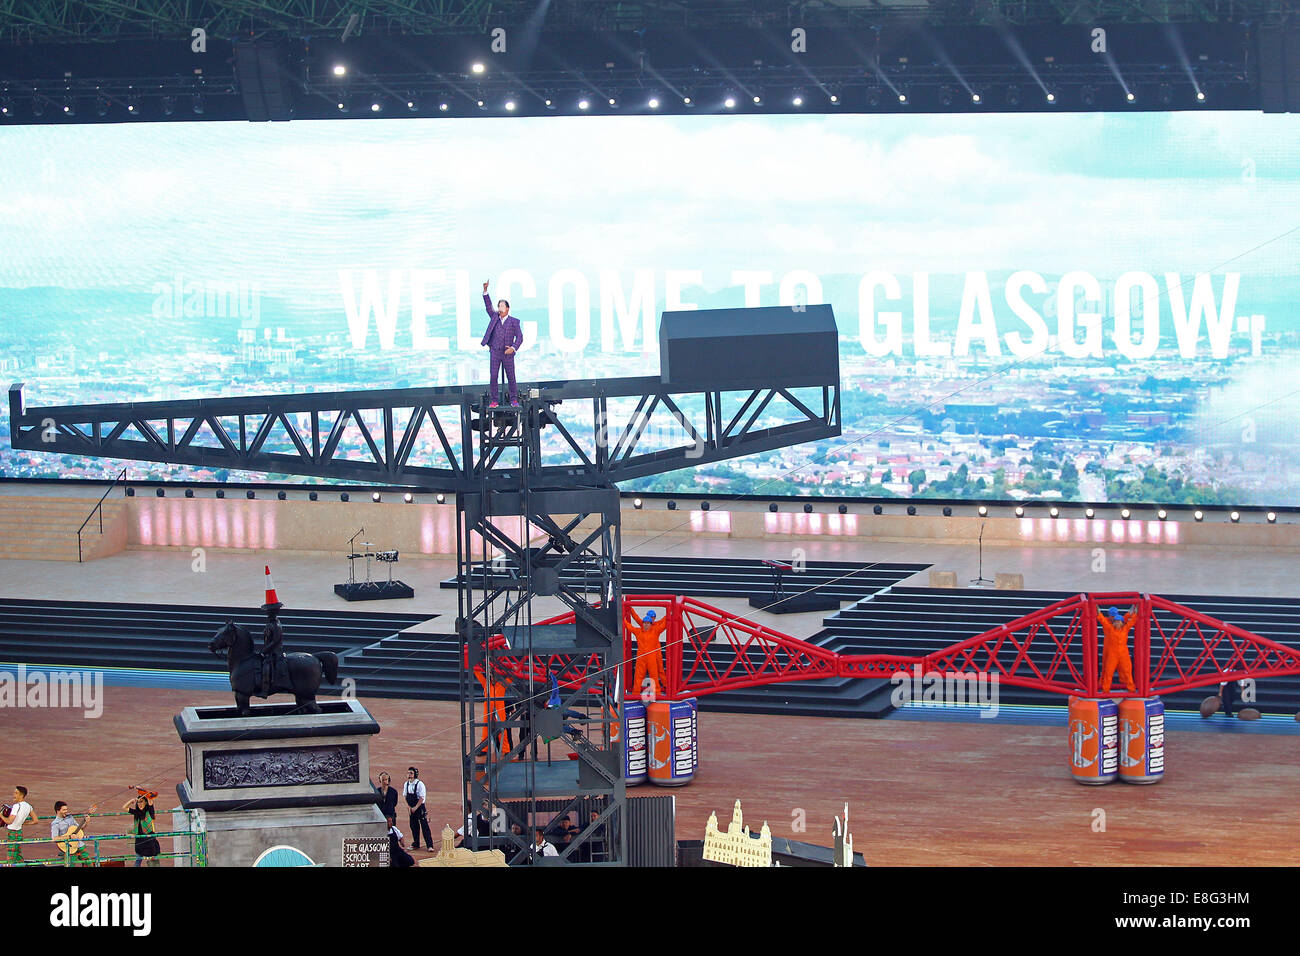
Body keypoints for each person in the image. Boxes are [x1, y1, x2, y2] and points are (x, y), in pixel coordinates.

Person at [481, 280, 523, 408]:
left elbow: (520, 337)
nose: (500, 308)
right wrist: (485, 291)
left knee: (511, 377)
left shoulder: (514, 322)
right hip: (495, 351)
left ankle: (513, 399)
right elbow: (488, 306)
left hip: (507, 353)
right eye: (499, 306)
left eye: (502, 306)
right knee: (493, 376)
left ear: (508, 308)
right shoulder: (494, 317)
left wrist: (513, 348)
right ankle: (494, 400)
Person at [628, 610, 668, 700]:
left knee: (658, 671)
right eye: (645, 623)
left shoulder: (656, 628)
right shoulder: (639, 630)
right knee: (638, 675)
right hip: (642, 655)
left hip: (654, 652)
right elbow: (633, 621)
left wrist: (671, 613)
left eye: (653, 618)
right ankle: (635, 694)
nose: (646, 624)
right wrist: (629, 610)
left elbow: (665, 622)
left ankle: (663, 687)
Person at [1100, 606, 1137, 694]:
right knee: (1107, 670)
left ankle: (1130, 688)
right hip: (1110, 649)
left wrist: (1136, 610)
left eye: (1118, 621)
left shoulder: (1124, 628)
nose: (1116, 622)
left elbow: (1130, 619)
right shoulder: (1109, 627)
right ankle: (1104, 688)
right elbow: (1101, 619)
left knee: (1127, 670)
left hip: (1123, 652)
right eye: (1114, 618)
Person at [50, 800, 98, 866]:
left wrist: (86, 822)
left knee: (89, 863)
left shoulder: (70, 818)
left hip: (80, 845)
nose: (66, 811)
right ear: (58, 811)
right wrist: (69, 837)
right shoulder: (55, 824)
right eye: (64, 810)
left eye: (66, 809)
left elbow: (80, 830)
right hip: (69, 848)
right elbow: (54, 838)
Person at [122, 789, 160, 867]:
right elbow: (124, 807)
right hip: (139, 840)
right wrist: (131, 801)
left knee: (153, 863)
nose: (139, 804)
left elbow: (150, 802)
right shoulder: (136, 812)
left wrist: (146, 794)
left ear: (145, 802)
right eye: (138, 802)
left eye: (141, 801)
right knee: (138, 860)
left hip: (149, 840)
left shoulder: (149, 811)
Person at [2, 786, 36, 864]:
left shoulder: (16, 806)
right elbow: (35, 821)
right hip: (19, 833)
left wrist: (1, 816)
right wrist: (22, 823)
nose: (14, 795)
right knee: (18, 856)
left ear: (21, 795)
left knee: (11, 857)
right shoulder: (28, 806)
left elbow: (9, 821)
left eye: (16, 793)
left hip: (12, 834)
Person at [403, 767, 433, 850]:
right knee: (413, 826)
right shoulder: (406, 784)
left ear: (415, 774)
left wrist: (415, 807)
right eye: (408, 773)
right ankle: (416, 843)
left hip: (420, 808)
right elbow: (404, 796)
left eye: (411, 773)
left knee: (424, 826)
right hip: (411, 808)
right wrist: (408, 807)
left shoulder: (420, 784)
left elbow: (421, 798)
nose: (409, 775)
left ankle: (429, 845)